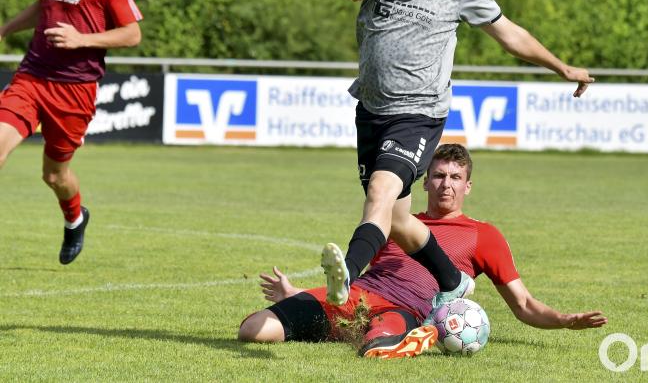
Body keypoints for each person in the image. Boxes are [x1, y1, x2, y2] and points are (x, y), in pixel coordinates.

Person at [317, 0, 596, 316]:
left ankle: (346, 274)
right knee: (397, 220)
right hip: (372, 110)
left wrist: (561, 67)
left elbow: (510, 34)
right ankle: (452, 281)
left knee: (379, 193)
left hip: (419, 115)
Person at [239, 144, 607, 359]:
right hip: (361, 295)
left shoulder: (484, 235)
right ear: (425, 181)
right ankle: (339, 325)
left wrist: (563, 320)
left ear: (468, 186)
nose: (446, 184)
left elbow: (523, 305)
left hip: (408, 309)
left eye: (455, 177)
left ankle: (419, 334)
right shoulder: (398, 220)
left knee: (374, 348)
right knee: (253, 330)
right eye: (439, 176)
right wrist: (296, 295)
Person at [0, 0, 142, 264]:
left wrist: (81, 39)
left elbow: (132, 34)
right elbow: (42, 6)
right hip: (32, 77)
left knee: (54, 175)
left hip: (74, 90)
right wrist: (5, 29)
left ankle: (75, 219)